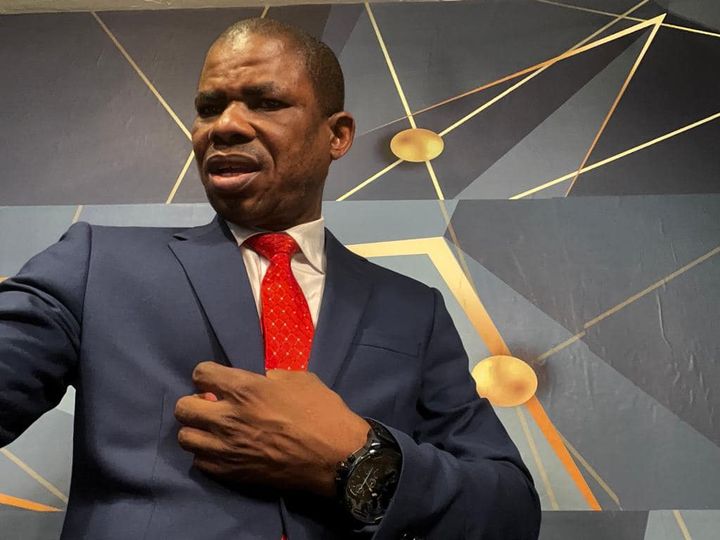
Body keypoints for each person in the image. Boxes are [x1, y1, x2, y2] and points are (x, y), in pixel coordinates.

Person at [0, 18, 540, 539]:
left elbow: (509, 510)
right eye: (209, 108)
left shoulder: (412, 310)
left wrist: (357, 458)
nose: (225, 126)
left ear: (337, 135)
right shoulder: (95, 264)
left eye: (266, 102)